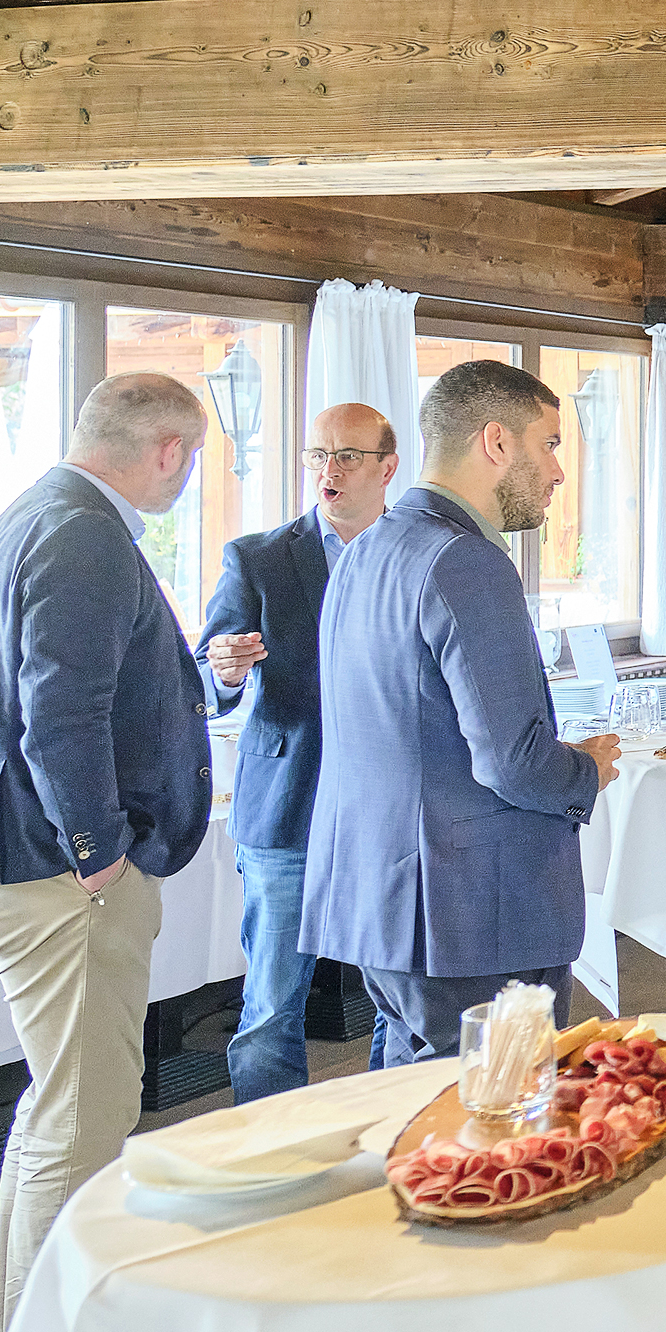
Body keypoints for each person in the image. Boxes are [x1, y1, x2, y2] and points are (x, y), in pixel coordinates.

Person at [0, 373, 215, 1332]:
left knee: (62, 1106)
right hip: (57, 873)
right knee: (84, 1118)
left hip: (19, 859)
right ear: (168, 449)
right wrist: (100, 855)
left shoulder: (35, 513)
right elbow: (60, 717)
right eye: (196, 457)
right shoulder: (85, 531)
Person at [304, 361, 618, 1065]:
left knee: (414, 1129)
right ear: (497, 443)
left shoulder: (367, 546)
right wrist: (586, 771)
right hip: (467, 909)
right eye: (551, 444)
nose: (558, 471)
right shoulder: (464, 561)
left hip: (379, 897)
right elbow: (512, 762)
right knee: (495, 1135)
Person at [197, 402, 400, 1103]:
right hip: (288, 805)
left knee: (399, 994)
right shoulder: (258, 556)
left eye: (347, 456)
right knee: (272, 1004)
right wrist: (224, 669)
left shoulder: (418, 553)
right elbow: (208, 670)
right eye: (318, 455)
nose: (330, 470)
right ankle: (267, 1158)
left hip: (391, 812)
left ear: (388, 468)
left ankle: (390, 1132)